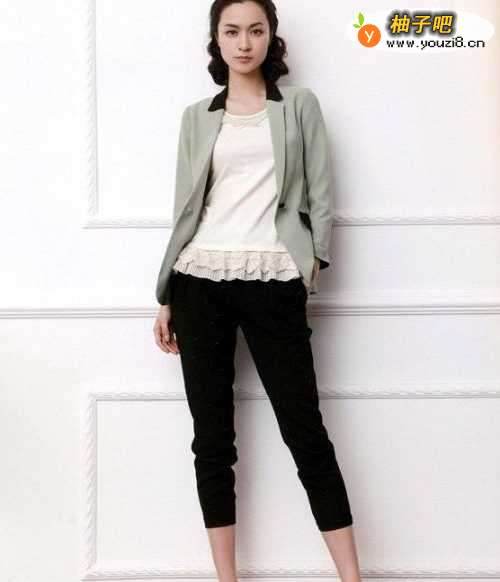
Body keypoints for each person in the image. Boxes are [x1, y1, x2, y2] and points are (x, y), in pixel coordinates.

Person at [153, 1, 362, 580]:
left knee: (305, 433)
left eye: (255, 30)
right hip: (198, 282)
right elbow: (185, 208)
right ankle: (228, 578)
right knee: (212, 442)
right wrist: (167, 294)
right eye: (232, 31)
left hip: (273, 280)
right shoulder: (197, 117)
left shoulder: (299, 106)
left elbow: (320, 196)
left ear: (271, 38)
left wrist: (308, 268)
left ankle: (352, 577)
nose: (244, 42)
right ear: (216, 41)